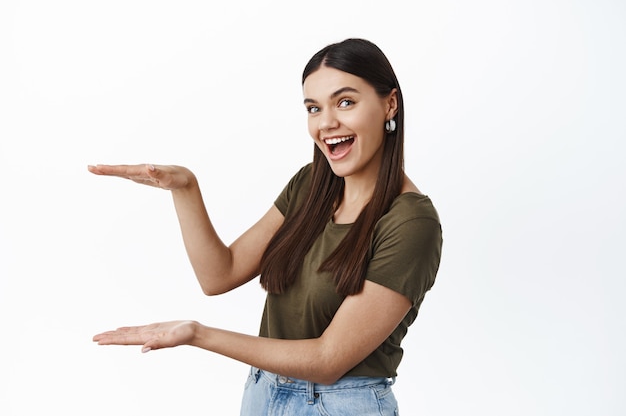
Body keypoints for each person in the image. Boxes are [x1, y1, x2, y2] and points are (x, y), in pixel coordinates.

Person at [90, 38, 443, 416]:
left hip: (341, 405)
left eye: (345, 102)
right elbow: (218, 274)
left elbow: (328, 360)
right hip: (263, 392)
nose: (326, 123)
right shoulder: (310, 186)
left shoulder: (410, 222)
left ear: (390, 103)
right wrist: (185, 188)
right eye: (313, 108)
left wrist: (199, 334)